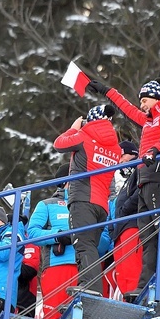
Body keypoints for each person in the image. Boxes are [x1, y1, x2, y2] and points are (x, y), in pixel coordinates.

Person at [88, 77, 160, 292]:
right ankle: (145, 284)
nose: (141, 105)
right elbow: (128, 109)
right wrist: (107, 91)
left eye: (144, 100)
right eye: (141, 101)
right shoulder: (150, 119)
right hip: (145, 178)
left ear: (156, 97)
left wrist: (155, 150)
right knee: (147, 231)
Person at [53, 104, 120, 296]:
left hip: (82, 199)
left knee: (82, 244)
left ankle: (89, 287)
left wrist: (74, 127)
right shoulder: (115, 147)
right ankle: (91, 287)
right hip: (102, 204)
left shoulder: (84, 137)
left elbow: (59, 143)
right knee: (90, 245)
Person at [26, 165, 78, 319]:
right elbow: (33, 233)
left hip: (87, 265)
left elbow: (104, 235)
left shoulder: (88, 205)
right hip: (58, 266)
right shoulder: (47, 204)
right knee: (55, 318)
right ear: (64, 181)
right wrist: (58, 236)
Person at [110, 141, 144, 297]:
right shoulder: (121, 179)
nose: (120, 159)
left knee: (132, 269)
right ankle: (127, 300)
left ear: (133, 154)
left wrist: (125, 209)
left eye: (122, 154)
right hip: (119, 230)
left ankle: (134, 300)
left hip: (132, 225)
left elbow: (141, 191)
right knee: (121, 274)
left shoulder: (140, 167)